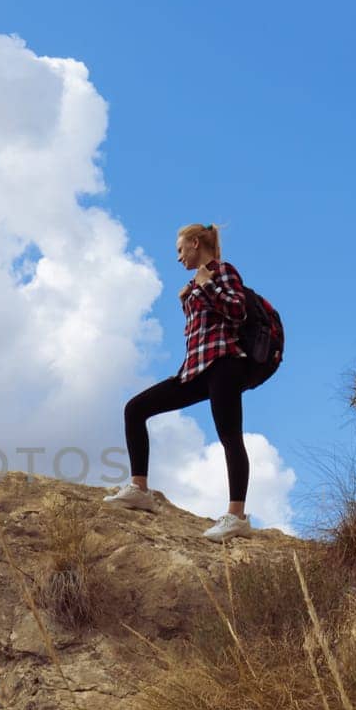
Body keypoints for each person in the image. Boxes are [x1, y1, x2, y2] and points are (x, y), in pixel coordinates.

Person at [103, 222, 254, 542]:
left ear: (196, 243)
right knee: (135, 408)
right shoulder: (195, 283)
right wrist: (188, 298)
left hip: (224, 364)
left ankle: (236, 516)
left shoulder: (222, 270)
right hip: (195, 371)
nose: (178, 257)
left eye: (180, 249)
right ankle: (139, 490)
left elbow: (238, 311)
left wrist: (206, 285)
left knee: (229, 436)